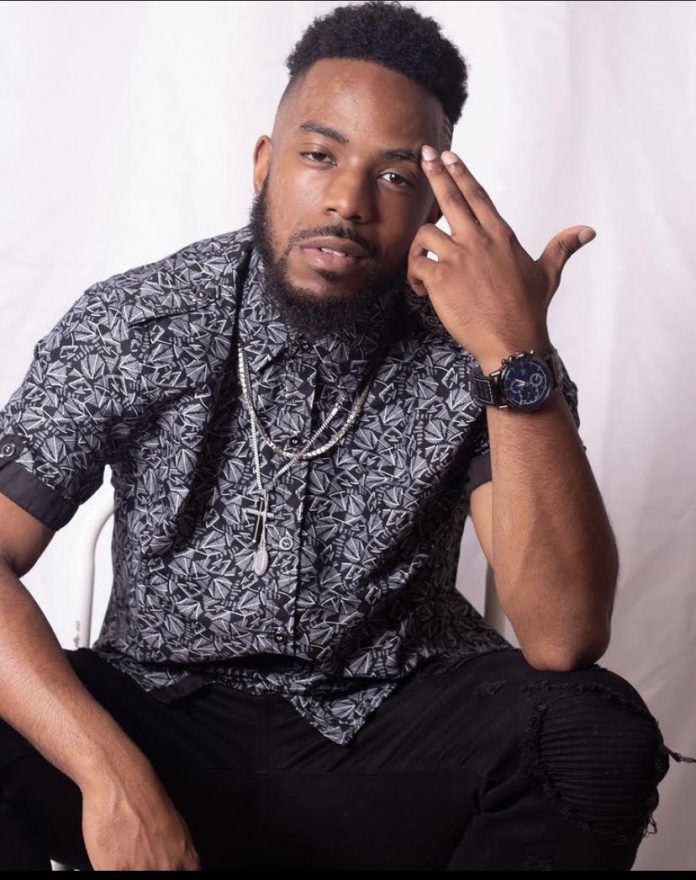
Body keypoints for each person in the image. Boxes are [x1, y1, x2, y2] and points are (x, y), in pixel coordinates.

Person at [0, 0, 692, 871]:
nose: (347, 202)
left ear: (434, 203)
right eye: (319, 155)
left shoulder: (480, 344)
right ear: (265, 163)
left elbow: (563, 637)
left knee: (592, 734)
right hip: (162, 727)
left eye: (395, 176)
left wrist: (516, 353)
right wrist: (111, 777)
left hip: (386, 737)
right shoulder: (140, 320)